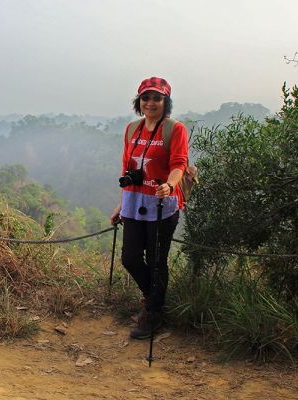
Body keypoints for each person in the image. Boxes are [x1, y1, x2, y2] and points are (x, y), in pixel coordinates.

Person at [109, 77, 188, 339]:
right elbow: (127, 168)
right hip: (134, 203)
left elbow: (179, 163)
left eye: (157, 98)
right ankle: (153, 299)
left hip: (162, 204)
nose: (151, 102)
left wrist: (170, 184)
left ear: (166, 102)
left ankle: (153, 313)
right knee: (130, 258)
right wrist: (121, 204)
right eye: (146, 98)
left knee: (156, 261)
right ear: (138, 101)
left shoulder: (174, 129)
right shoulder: (132, 129)